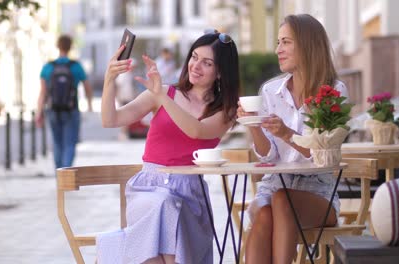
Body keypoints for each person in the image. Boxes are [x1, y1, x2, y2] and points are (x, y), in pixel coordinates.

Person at [97, 30, 240, 264]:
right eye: (194, 57)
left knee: (157, 239)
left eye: (207, 63)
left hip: (189, 196)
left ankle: (117, 251)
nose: (195, 66)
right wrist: (109, 80)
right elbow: (110, 120)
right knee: (162, 205)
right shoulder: (163, 92)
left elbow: (196, 131)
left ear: (220, 71)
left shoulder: (226, 110)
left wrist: (162, 98)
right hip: (148, 188)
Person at [237, 14, 349, 263]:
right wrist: (253, 124)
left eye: (285, 42)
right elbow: (269, 156)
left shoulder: (334, 92)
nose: (278, 50)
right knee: (267, 210)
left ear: (307, 44)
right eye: (278, 42)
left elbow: (322, 153)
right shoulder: (270, 91)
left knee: (281, 200)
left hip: (319, 192)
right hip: (275, 185)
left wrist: (287, 133)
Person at [36, 34, 93, 169]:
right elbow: (87, 87)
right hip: (71, 109)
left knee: (57, 143)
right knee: (70, 143)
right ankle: (66, 174)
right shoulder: (76, 66)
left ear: (58, 46)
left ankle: (59, 177)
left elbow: (43, 93)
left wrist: (39, 112)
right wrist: (89, 104)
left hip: (53, 109)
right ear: (70, 47)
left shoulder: (48, 67)